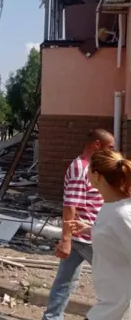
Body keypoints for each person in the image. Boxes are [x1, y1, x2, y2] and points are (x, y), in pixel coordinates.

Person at [40, 129, 114, 320]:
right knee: (116, 283)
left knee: (65, 282)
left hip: (86, 234)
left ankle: (51, 317)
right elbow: (70, 206)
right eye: (110, 147)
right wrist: (66, 240)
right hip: (87, 237)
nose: (113, 151)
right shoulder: (80, 168)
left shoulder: (91, 167)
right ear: (97, 145)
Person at [66, 149, 131, 320]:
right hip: (110, 302)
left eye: (88, 169)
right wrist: (90, 229)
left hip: (121, 308)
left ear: (96, 176)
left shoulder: (122, 214)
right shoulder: (110, 206)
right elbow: (115, 236)